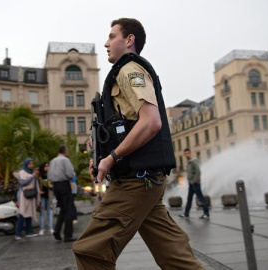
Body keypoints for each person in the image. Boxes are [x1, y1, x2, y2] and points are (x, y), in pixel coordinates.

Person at [73, 18, 204, 269]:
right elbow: (128, 125)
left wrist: (112, 158)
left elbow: (151, 122)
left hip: (136, 180)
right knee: (175, 257)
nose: (106, 43)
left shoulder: (130, 71)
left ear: (129, 39)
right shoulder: (123, 72)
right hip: (144, 179)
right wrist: (102, 147)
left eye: (112, 36)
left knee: (90, 251)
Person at [47, 145, 76, 242]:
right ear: (65, 151)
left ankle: (57, 230)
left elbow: (49, 175)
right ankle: (68, 235)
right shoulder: (65, 160)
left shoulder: (53, 161)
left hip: (55, 186)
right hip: (64, 184)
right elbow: (70, 173)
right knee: (68, 210)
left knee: (62, 210)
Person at [179, 148, 210, 220]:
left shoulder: (193, 162)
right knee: (189, 199)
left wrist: (194, 181)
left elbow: (198, 172)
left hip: (195, 184)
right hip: (191, 184)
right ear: (184, 155)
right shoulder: (188, 162)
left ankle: (206, 213)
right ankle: (186, 213)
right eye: (185, 153)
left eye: (188, 153)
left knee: (201, 198)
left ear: (190, 153)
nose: (187, 154)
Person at [15, 158, 40, 240]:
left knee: (29, 214)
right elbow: (23, 183)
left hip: (31, 195)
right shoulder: (22, 172)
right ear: (26, 165)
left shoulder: (32, 172)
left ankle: (29, 232)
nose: (31, 165)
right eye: (29, 164)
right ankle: (18, 233)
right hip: (24, 196)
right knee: (22, 214)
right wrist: (32, 176)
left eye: (32, 164)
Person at [38, 162, 54, 235]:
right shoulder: (39, 176)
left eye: (48, 166)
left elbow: (53, 184)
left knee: (49, 212)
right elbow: (36, 186)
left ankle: (50, 228)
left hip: (49, 195)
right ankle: (42, 229)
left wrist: (52, 186)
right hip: (41, 196)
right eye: (45, 166)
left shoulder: (50, 175)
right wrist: (39, 191)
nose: (47, 168)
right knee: (41, 213)